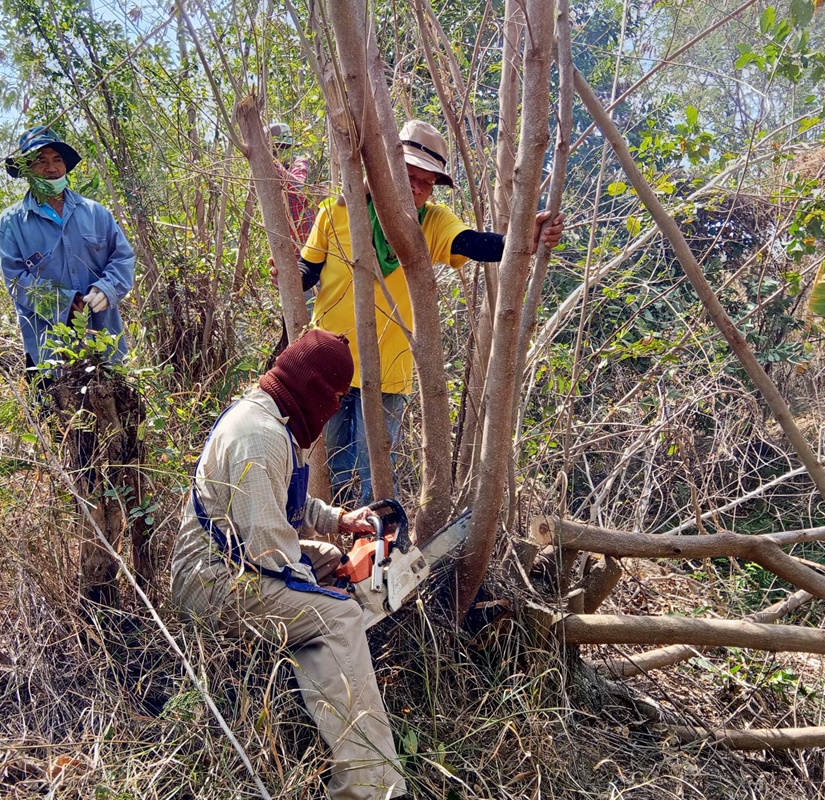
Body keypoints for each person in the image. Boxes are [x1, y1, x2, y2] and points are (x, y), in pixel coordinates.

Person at [170, 329, 408, 800]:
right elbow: (271, 549)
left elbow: (284, 508)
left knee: (330, 561)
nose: (336, 408)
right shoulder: (258, 438)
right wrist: (325, 597)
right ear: (317, 390)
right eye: (337, 397)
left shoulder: (275, 415)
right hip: (214, 581)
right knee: (340, 615)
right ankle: (371, 786)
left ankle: (319, 651)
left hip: (240, 559)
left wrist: (339, 520)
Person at [285, 119, 565, 505]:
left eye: (427, 181)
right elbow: (307, 270)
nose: (416, 187)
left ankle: (378, 555)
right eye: (407, 174)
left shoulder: (431, 222)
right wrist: (286, 272)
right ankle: (327, 546)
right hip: (325, 363)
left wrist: (524, 239)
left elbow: (474, 243)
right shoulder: (335, 212)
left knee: (375, 475)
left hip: (387, 371)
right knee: (324, 465)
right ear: (383, 170)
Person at [0, 125, 136, 377]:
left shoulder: (95, 213)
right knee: (57, 413)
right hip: (48, 352)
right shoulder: (11, 223)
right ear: (27, 170)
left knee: (117, 410)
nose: (51, 168)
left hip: (104, 341)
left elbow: (122, 257)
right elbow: (16, 280)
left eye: (57, 160)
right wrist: (66, 303)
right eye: (41, 161)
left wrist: (106, 289)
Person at [267, 121, 317, 251]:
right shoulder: (269, 176)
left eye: (283, 148)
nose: (279, 152)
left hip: (305, 244)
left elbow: (297, 186)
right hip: (285, 244)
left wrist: (271, 164)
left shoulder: (299, 164)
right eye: (277, 148)